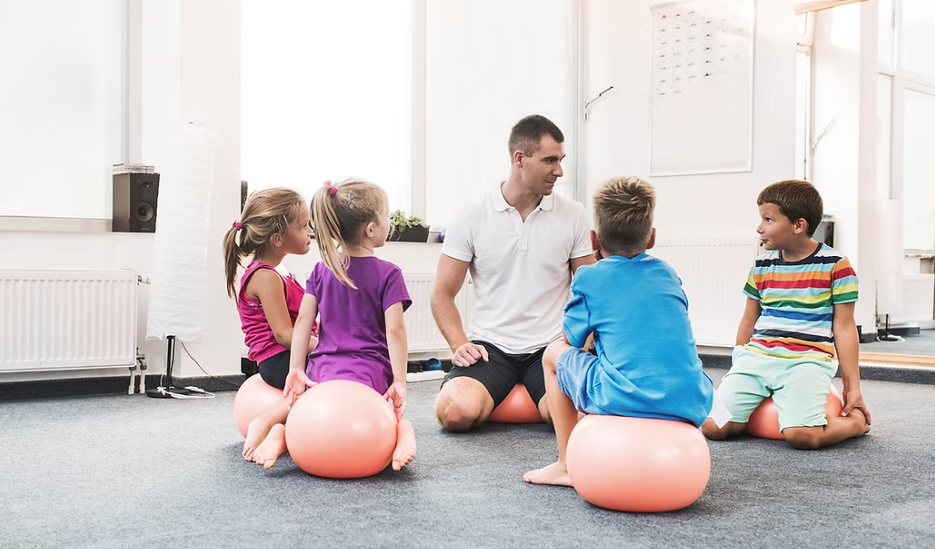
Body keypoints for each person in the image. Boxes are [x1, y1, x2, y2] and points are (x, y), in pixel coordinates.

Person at [524, 177, 715, 486]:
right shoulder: (668, 273)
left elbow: (570, 340)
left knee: (552, 355)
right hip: (689, 399)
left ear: (594, 239)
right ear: (651, 238)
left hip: (622, 397)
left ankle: (565, 463)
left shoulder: (588, 277)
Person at [431, 114, 595, 432]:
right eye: (550, 160)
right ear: (520, 159)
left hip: (550, 346)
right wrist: (458, 344)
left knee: (576, 420)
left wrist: (582, 345)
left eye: (561, 160)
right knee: (454, 413)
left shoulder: (574, 215)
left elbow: (592, 289)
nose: (559, 171)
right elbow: (442, 293)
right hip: (490, 348)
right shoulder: (471, 215)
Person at [254, 179, 417, 471]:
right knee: (380, 418)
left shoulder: (321, 270)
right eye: (387, 215)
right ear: (370, 229)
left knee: (315, 415)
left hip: (323, 370)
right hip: (369, 371)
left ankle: (283, 432)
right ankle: (403, 432)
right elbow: (395, 331)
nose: (389, 221)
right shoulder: (389, 274)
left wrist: (296, 370)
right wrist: (400, 382)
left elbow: (304, 321)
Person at [701, 179, 871, 449]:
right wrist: (739, 362)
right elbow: (748, 320)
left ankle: (856, 424)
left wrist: (854, 388)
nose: (759, 227)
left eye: (768, 219)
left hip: (806, 361)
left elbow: (845, 329)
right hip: (756, 358)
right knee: (713, 426)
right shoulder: (761, 265)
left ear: (798, 225)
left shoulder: (837, 266)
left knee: (802, 436)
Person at [223, 187, 318, 463]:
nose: (310, 231)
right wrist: (327, 346)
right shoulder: (265, 276)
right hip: (278, 360)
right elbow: (285, 334)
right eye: (303, 226)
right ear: (277, 238)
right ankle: (270, 424)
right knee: (331, 377)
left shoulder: (280, 271)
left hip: (291, 352)